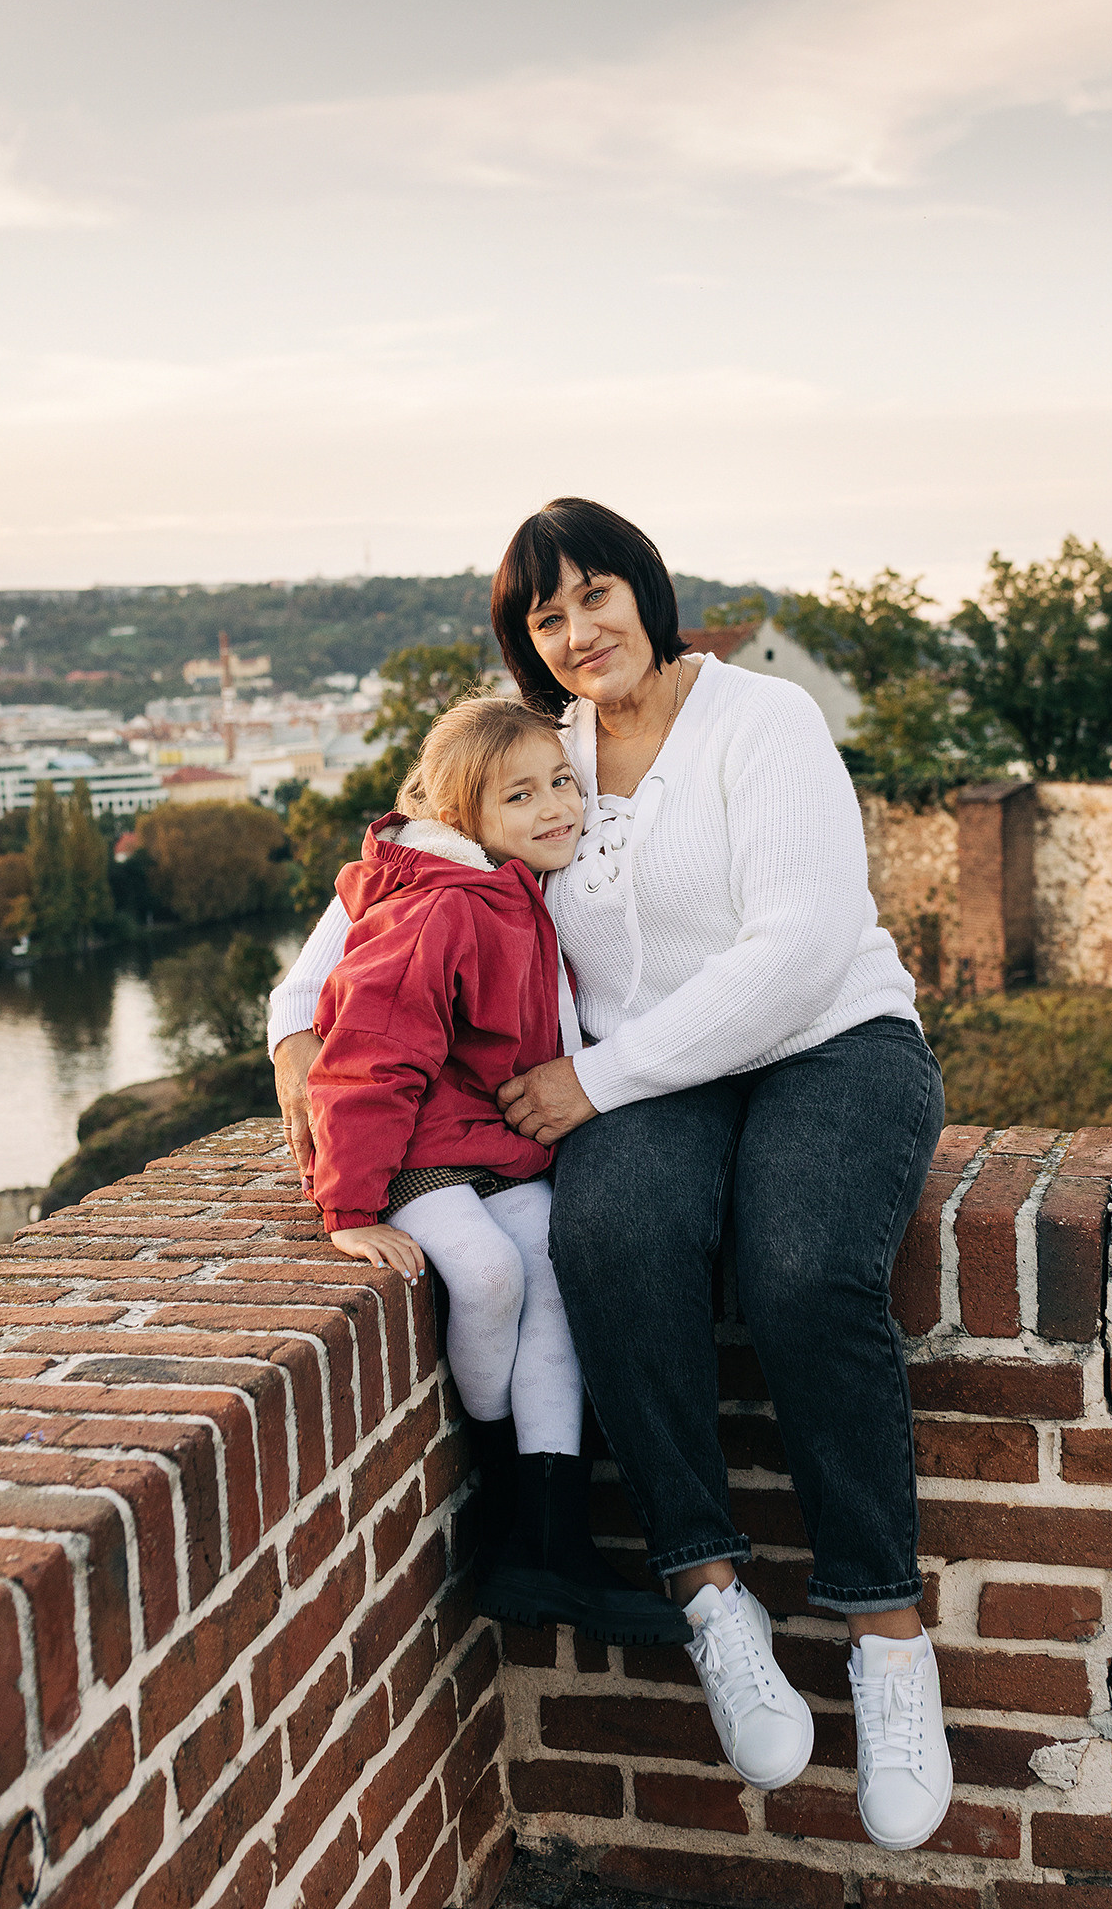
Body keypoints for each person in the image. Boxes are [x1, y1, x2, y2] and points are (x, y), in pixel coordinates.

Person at [274, 499, 951, 1851]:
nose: (578, 632)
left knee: (803, 1270)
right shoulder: (530, 754)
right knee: (611, 1239)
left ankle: (886, 1638)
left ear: (646, 587)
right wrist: (298, 1040)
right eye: (544, 615)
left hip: (827, 1044)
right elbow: (386, 897)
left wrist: (590, 1082)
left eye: (594, 596)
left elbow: (799, 947)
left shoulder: (760, 723)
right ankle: (709, 1597)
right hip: (643, 1076)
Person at [295, 691, 689, 1647]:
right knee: (485, 1275)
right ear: (464, 818)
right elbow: (369, 1058)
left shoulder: (512, 887)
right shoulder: (439, 909)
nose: (558, 807)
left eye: (563, 782)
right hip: (417, 1164)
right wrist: (349, 1207)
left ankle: (546, 1540)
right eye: (523, 797)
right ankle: (502, 1466)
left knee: (555, 1276)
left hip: (496, 1155)